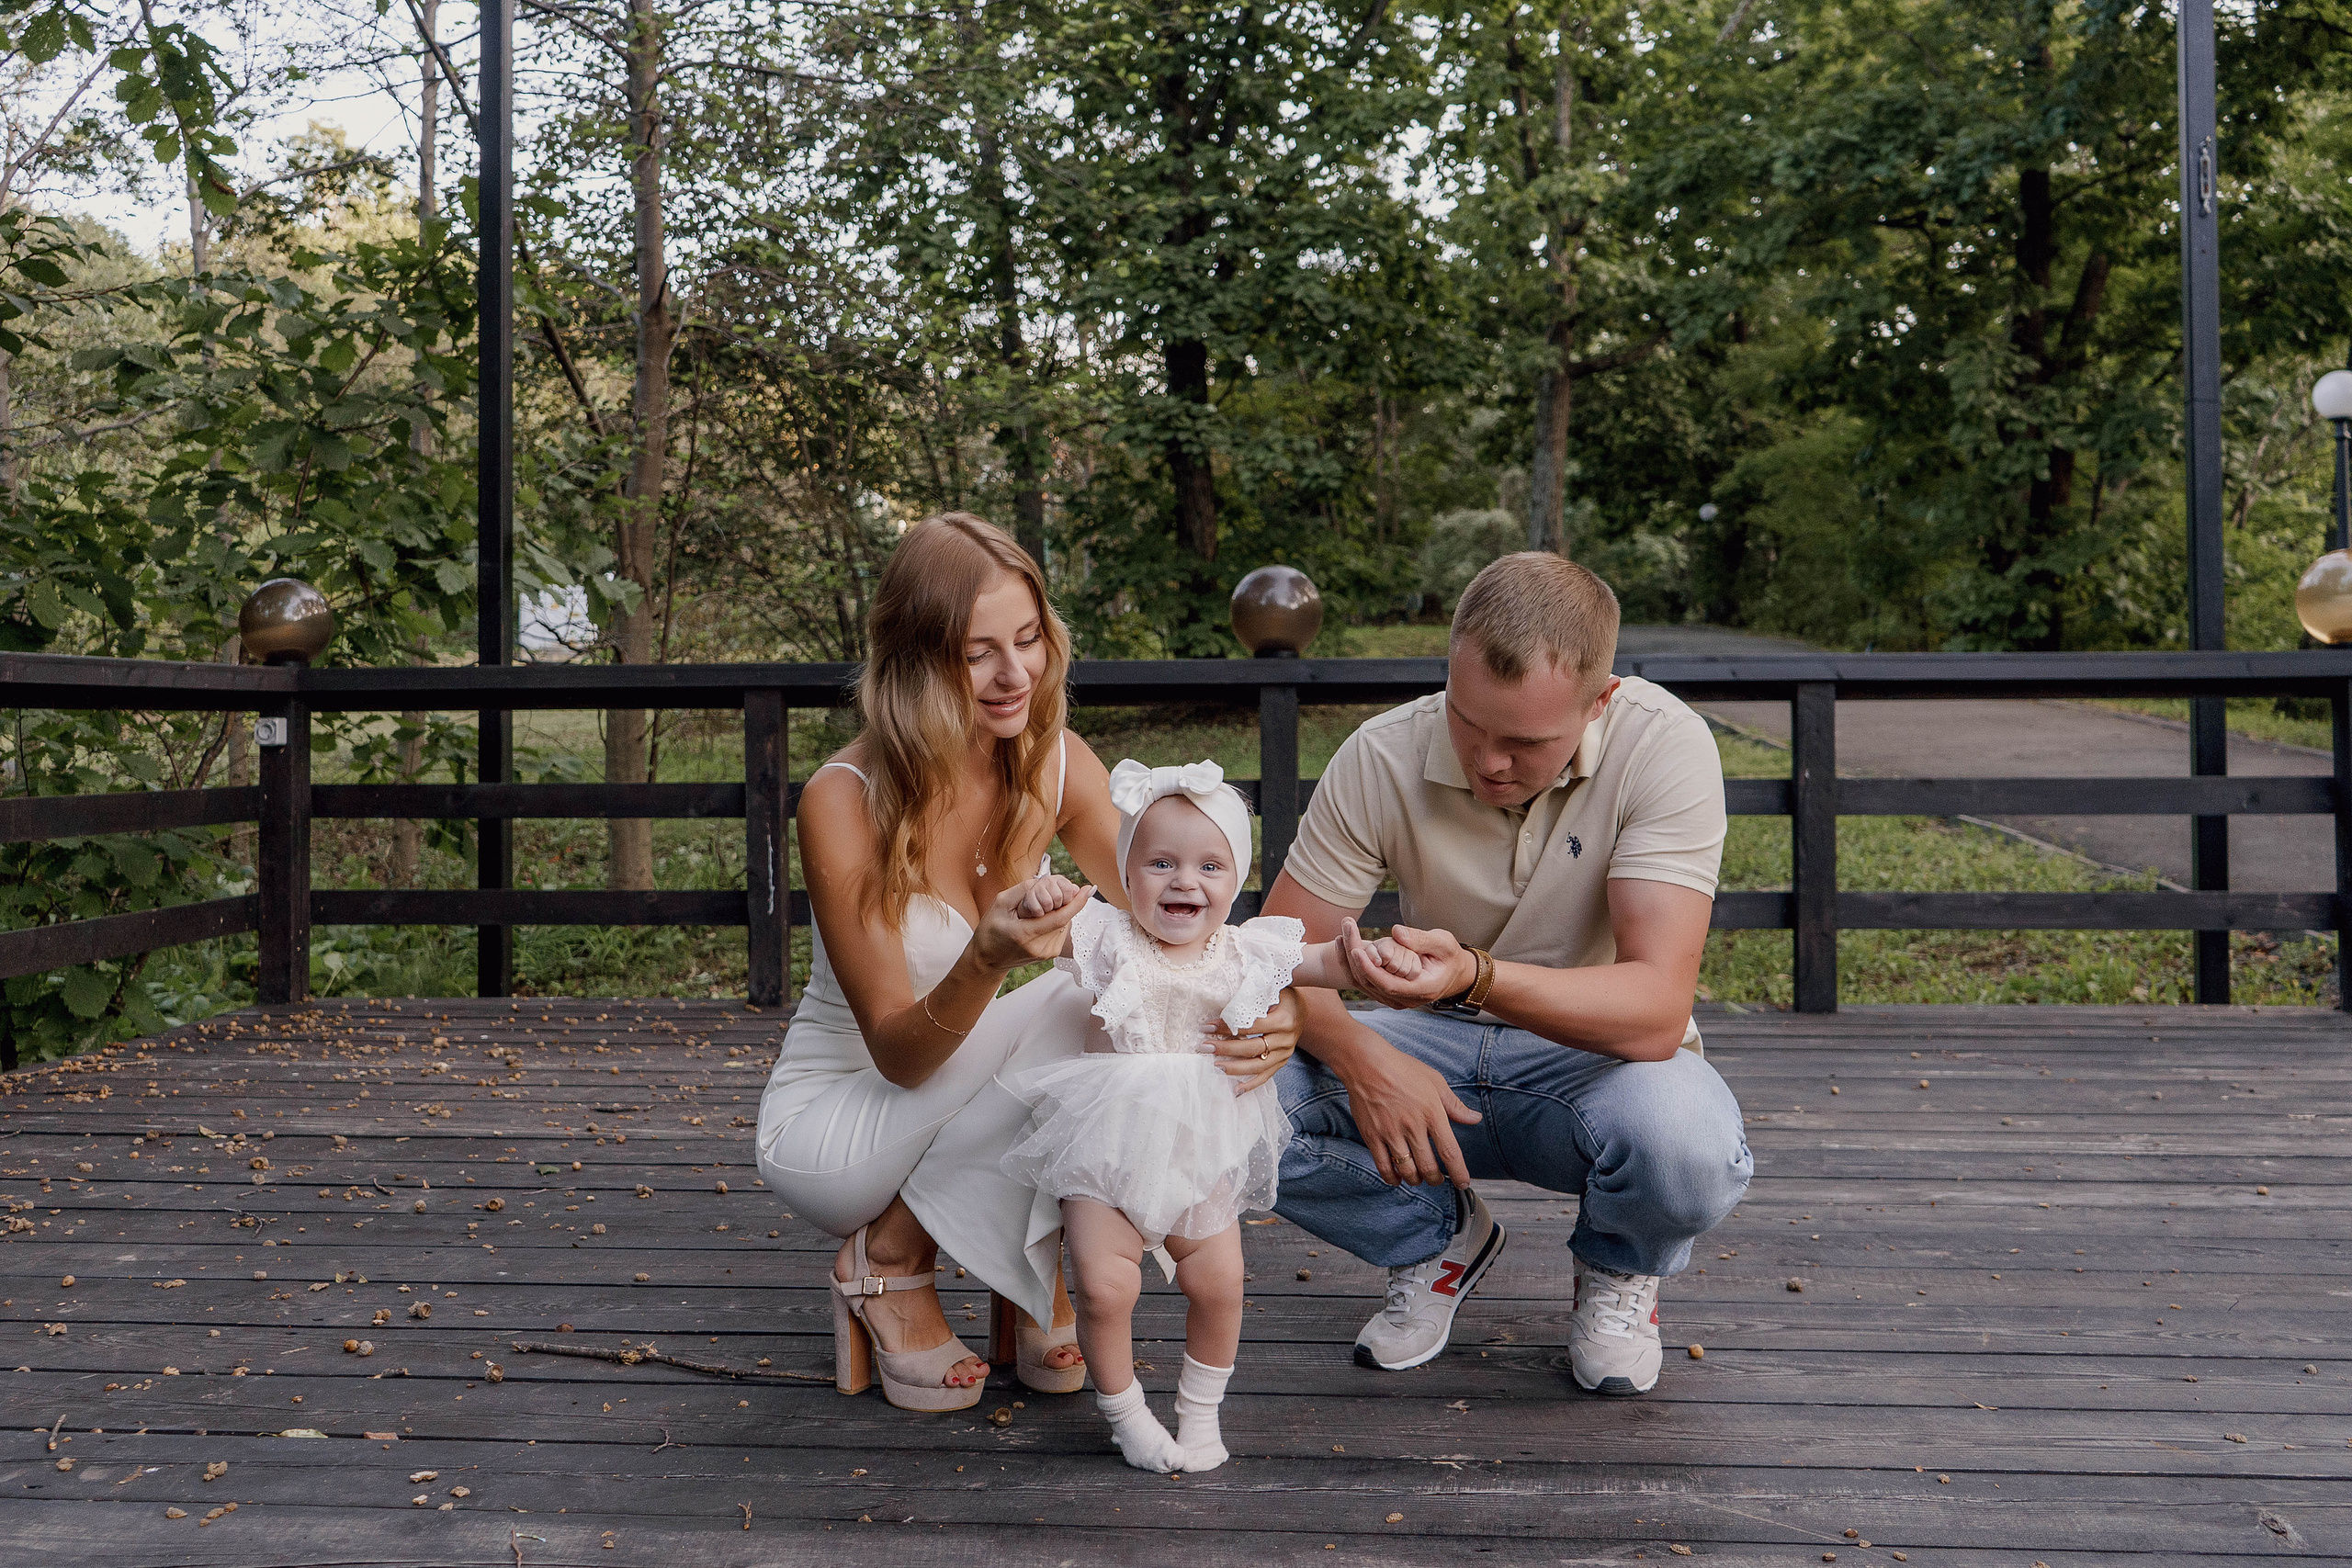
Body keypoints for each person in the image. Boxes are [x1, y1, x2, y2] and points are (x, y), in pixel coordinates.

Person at [753, 514, 1303, 1414]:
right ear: (915, 665)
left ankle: (1039, 1258)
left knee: (1111, 996)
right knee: (1077, 1002)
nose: (1016, 675)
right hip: (842, 1118)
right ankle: (888, 1257)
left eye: (1028, 639)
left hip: (957, 1087)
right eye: (978, 654)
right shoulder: (842, 799)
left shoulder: (1051, 763)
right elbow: (898, 1054)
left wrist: (1274, 1006)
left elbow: (1178, 927)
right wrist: (985, 955)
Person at [1261, 552, 1752, 1396]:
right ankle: (1432, 1237)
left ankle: (1618, 1268)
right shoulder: (1381, 753)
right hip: (1421, 1049)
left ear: (1600, 702)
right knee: (1215, 1094)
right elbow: (1268, 958)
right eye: (1466, 721)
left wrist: (1473, 977)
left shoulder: (1664, 744)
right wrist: (1363, 1058)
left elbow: (1656, 1011)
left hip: (1599, 1064)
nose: (1488, 761)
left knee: (1691, 1146)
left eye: (1524, 742)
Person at [998, 761, 1422, 1472]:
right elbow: (1034, 920)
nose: (1184, 881)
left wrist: (1367, 957)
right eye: (1160, 862)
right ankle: (1127, 1414)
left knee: (1219, 1283)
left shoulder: (1244, 950)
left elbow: (1323, 963)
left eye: (1209, 865)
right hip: (1106, 1141)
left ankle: (1199, 1413)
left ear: (1235, 879)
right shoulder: (1106, 937)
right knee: (1104, 1286)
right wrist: (1041, 893)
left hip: (1197, 1148)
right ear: (1126, 873)